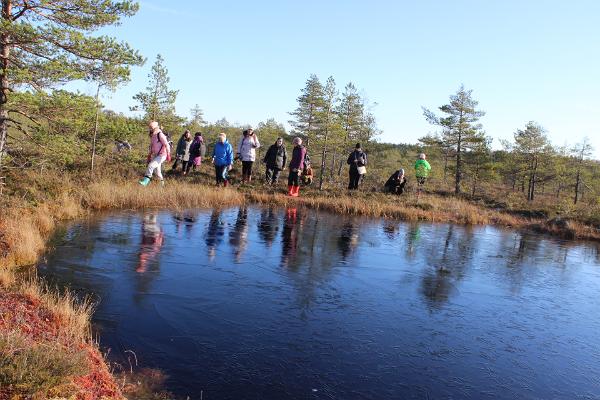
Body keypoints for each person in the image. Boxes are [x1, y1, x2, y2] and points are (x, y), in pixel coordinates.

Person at [139, 121, 171, 186]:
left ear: (155, 127)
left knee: (150, 166)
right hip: (156, 155)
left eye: (151, 127)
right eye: (150, 127)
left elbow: (167, 145)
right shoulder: (153, 135)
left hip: (162, 155)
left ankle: (146, 181)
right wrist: (149, 155)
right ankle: (162, 185)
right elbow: (152, 146)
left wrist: (168, 154)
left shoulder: (160, 134)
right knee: (157, 172)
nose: (150, 129)